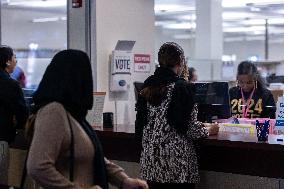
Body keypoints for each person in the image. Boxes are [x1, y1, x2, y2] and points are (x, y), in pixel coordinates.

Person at [27, 49, 148, 189]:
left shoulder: (74, 115)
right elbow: (37, 166)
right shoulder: (54, 112)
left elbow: (93, 157)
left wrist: (123, 180)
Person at [135, 42, 219, 189]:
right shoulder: (182, 88)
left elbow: (144, 125)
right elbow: (190, 129)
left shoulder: (147, 86)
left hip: (151, 165)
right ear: (181, 62)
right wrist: (209, 130)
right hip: (176, 167)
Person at [0, 46, 28, 185]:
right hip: (2, 138)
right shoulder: (10, 84)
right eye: (14, 57)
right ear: (7, 62)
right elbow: (22, 114)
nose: (16, 61)